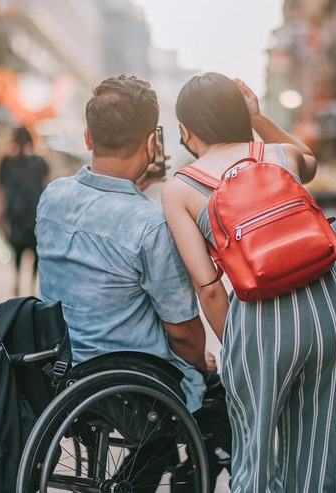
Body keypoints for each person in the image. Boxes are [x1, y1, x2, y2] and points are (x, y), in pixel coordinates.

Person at [161, 72, 336, 493]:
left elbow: (210, 287)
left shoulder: (180, 188)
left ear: (185, 130)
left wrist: (235, 349)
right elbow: (310, 159)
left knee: (256, 457)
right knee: (317, 450)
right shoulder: (279, 155)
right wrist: (259, 117)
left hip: (263, 321)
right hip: (330, 303)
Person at [35, 75, 227, 491]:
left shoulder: (52, 197)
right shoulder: (152, 224)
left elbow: (99, 212)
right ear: (152, 144)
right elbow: (183, 333)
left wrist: (138, 185)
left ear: (88, 136)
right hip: (129, 384)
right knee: (215, 397)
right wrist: (202, 362)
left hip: (60, 370)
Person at [0, 126, 49, 295]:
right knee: (35, 250)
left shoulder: (6, 162)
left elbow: (0, 189)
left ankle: (17, 281)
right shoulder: (39, 162)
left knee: (16, 249)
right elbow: (47, 185)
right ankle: (32, 285)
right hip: (35, 211)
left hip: (15, 213)